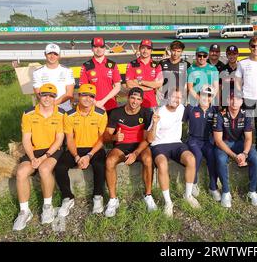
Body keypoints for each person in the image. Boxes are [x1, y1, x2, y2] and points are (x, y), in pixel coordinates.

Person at [13, 84, 65, 231]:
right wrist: (32, 157)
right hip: (33, 151)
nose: (47, 98)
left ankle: (47, 205)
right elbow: (26, 139)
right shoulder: (28, 113)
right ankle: (24, 211)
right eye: (44, 95)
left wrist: (42, 158)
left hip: (52, 150)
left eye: (51, 95)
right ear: (39, 96)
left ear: (55, 98)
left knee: (44, 169)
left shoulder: (61, 113)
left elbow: (59, 139)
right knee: (21, 172)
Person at [54, 84, 108, 217]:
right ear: (78, 96)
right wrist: (77, 157)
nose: (87, 99)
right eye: (84, 95)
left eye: (91, 96)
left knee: (100, 165)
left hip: (94, 148)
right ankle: (68, 198)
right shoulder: (69, 115)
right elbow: (70, 139)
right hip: (76, 149)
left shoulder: (101, 113)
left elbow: (102, 139)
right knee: (60, 167)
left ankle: (97, 196)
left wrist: (89, 155)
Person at [104, 87, 157, 217]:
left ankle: (148, 196)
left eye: (138, 99)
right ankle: (113, 199)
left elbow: (147, 140)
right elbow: (106, 137)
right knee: (110, 161)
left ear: (141, 101)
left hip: (140, 146)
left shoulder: (146, 113)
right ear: (128, 98)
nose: (135, 101)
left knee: (148, 159)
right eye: (133, 98)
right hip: (121, 146)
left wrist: (135, 153)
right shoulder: (116, 113)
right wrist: (114, 137)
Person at [148, 89, 201, 217]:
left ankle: (187, 195)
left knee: (191, 159)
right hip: (159, 145)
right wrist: (154, 123)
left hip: (176, 143)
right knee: (162, 164)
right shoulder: (159, 112)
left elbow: (200, 107)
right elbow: (150, 139)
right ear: (167, 98)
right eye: (173, 97)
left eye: (179, 98)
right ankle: (168, 202)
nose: (176, 100)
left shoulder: (182, 108)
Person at [213, 93, 257, 208]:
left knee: (255, 157)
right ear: (227, 100)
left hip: (240, 143)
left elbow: (249, 138)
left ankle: (252, 191)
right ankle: (226, 192)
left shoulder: (245, 115)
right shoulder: (219, 115)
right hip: (224, 143)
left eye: (238, 99)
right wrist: (234, 156)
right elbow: (218, 141)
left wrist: (244, 153)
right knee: (220, 159)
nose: (234, 102)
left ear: (242, 101)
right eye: (231, 99)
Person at [183, 86, 220, 201]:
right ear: (199, 96)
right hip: (193, 140)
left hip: (207, 141)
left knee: (213, 156)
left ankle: (213, 187)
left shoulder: (214, 110)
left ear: (211, 97)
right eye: (203, 95)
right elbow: (179, 121)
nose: (205, 98)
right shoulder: (191, 108)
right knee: (197, 156)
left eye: (208, 95)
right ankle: (193, 183)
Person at [79, 37, 122, 112]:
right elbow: (84, 88)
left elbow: (117, 87)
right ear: (92, 49)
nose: (99, 49)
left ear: (105, 48)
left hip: (111, 105)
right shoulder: (86, 66)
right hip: (92, 106)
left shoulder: (112, 65)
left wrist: (103, 101)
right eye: (96, 47)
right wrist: (96, 103)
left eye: (101, 47)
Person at [32, 43, 75, 111]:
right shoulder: (37, 72)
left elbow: (69, 94)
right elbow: (38, 94)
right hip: (45, 106)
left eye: (55, 54)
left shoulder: (67, 71)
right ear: (45, 54)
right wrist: (49, 105)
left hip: (64, 107)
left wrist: (53, 104)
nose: (52, 56)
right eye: (49, 53)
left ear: (59, 55)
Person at [125, 39, 163, 109]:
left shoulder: (157, 65)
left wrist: (140, 82)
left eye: (148, 49)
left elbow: (158, 84)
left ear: (151, 51)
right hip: (135, 104)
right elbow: (129, 84)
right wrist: (150, 87)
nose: (145, 51)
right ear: (139, 49)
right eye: (143, 48)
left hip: (151, 103)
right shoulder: (131, 64)